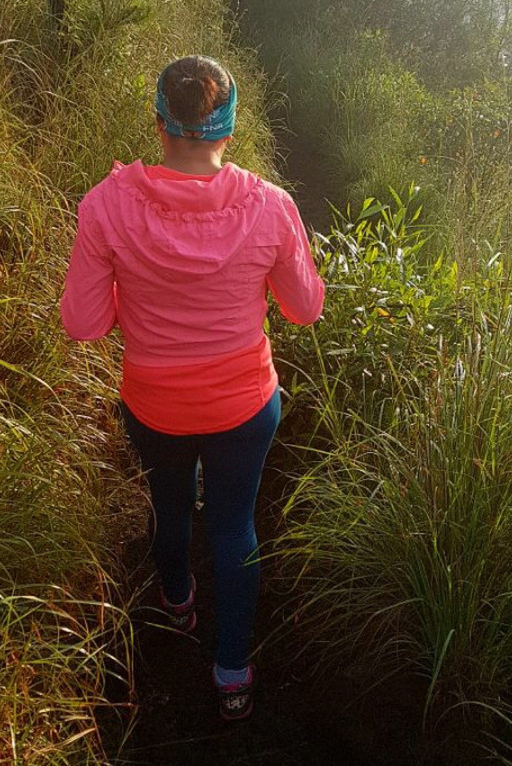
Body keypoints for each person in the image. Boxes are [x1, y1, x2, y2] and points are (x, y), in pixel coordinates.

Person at [60, 55, 325, 721]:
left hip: (155, 403)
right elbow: (304, 310)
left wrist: (135, 302)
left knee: (171, 506)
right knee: (234, 524)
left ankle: (177, 603)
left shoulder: (105, 206)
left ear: (159, 122)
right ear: (229, 129)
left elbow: (83, 324)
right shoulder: (273, 207)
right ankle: (233, 673)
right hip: (244, 405)